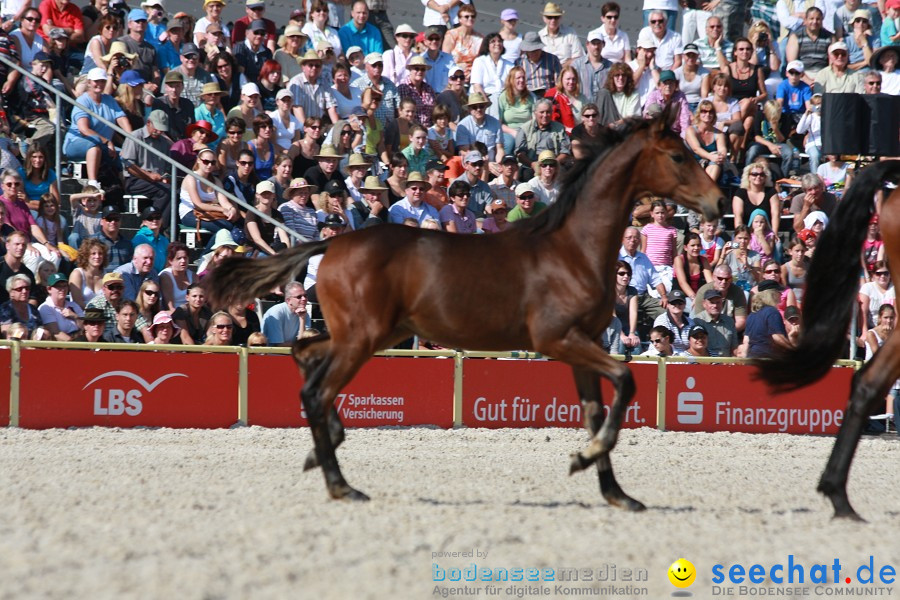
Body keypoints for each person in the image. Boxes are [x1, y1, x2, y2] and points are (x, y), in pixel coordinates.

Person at [61, 68, 131, 189]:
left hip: (104, 146)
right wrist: (107, 141)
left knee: (128, 156)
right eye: (96, 81)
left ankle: (126, 190)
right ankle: (93, 183)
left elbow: (122, 119)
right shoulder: (82, 100)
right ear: (89, 82)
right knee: (94, 146)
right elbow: (84, 129)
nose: (99, 84)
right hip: (76, 143)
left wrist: (132, 139)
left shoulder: (109, 100)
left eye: (102, 81)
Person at [180, 148, 240, 239]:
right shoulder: (191, 178)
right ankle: (208, 252)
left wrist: (231, 209)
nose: (209, 165)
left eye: (212, 162)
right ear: (198, 160)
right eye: (206, 162)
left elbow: (224, 202)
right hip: (189, 213)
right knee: (225, 228)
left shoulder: (216, 181)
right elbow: (198, 205)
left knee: (234, 226)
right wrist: (222, 209)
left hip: (209, 213)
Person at [514, 99, 571, 177]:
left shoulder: (560, 128)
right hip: (532, 165)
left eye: (548, 112)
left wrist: (553, 164)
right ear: (535, 113)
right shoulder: (524, 129)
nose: (545, 115)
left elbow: (565, 151)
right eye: (542, 112)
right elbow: (520, 154)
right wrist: (533, 164)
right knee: (525, 175)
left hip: (554, 163)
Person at [692, 263, 748, 332]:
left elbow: (741, 321)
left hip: (730, 330)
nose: (723, 282)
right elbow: (699, 320)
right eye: (720, 278)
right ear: (714, 277)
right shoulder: (703, 291)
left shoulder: (737, 292)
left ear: (731, 279)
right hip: (708, 330)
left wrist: (727, 333)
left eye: (727, 279)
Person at [785, 7, 833, 84]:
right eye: (811, 19)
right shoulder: (796, 36)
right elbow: (792, 63)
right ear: (805, 20)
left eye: (818, 19)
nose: (815, 21)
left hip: (823, 74)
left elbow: (833, 62)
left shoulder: (829, 37)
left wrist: (823, 78)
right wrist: (806, 79)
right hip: (801, 74)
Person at [738, 288, 788, 357]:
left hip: (752, 357)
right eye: (779, 293)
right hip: (768, 358)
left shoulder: (751, 315)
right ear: (772, 296)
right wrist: (793, 350)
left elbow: (746, 341)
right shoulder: (772, 312)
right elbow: (777, 337)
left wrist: (744, 361)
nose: (781, 296)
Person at [244, 181, 289, 256]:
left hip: (270, 248)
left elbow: (284, 238)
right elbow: (257, 239)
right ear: (257, 195)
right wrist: (273, 254)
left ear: (273, 195)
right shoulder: (252, 212)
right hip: (252, 250)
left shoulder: (277, 214)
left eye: (269, 193)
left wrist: (287, 254)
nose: (266, 195)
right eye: (263, 193)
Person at [641, 69, 691, 136]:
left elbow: (685, 119)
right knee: (653, 108)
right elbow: (647, 113)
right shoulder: (653, 95)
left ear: (675, 85)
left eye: (671, 83)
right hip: (657, 132)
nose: (668, 86)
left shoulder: (681, 97)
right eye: (665, 83)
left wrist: (684, 136)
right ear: (660, 85)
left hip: (675, 133)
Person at [693, 287, 738, 357]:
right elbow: (696, 348)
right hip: (707, 363)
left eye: (718, 302)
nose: (715, 306)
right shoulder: (697, 321)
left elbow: (734, 347)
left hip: (726, 363)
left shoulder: (729, 321)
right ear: (704, 304)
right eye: (711, 302)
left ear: (722, 304)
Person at [537, 1, 584, 68]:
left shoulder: (571, 33)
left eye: (556, 17)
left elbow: (578, 57)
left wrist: (561, 67)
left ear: (561, 18)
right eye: (549, 17)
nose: (553, 20)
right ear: (544, 18)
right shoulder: (539, 36)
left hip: (567, 73)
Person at [673, 232, 713, 309]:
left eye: (698, 245)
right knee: (696, 307)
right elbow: (682, 283)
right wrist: (694, 298)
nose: (696, 248)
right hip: (681, 297)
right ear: (685, 247)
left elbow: (710, 283)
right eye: (692, 245)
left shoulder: (704, 260)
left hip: (699, 297)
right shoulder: (679, 260)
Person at [261, 281, 308, 345]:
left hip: (294, 351)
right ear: (288, 300)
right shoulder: (276, 312)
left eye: (305, 295)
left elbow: (304, 342)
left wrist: (302, 319)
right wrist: (299, 344)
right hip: (273, 353)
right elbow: (278, 345)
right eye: (299, 297)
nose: (304, 299)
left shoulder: (304, 313)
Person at [516, 31, 562, 97]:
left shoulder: (553, 59)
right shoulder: (519, 62)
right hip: (528, 97)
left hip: (548, 96)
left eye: (536, 50)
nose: (534, 53)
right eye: (531, 51)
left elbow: (559, 82)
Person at [442, 3, 481, 81]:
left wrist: (473, 73)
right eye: (466, 16)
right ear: (460, 19)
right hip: (454, 76)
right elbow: (445, 58)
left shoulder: (480, 38)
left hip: (473, 76)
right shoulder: (452, 35)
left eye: (472, 16)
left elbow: (481, 61)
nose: (470, 18)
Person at [37, 273, 82, 340]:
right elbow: (55, 333)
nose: (62, 289)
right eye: (58, 286)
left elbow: (85, 327)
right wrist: (74, 345)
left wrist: (75, 316)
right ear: (49, 289)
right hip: (63, 346)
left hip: (80, 339)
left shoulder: (73, 305)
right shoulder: (45, 308)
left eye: (64, 286)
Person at [68, 238, 107, 309]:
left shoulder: (105, 275)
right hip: (81, 315)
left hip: (102, 316)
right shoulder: (77, 274)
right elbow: (77, 302)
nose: (97, 256)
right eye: (93, 253)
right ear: (86, 255)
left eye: (100, 253)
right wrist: (94, 312)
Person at [159, 242, 196, 312]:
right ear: (171, 261)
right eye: (179, 258)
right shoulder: (166, 276)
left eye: (185, 258)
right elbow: (170, 307)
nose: (183, 261)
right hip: (173, 314)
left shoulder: (194, 276)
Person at [92, 206, 132, 271]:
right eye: (109, 219)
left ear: (120, 221)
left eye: (116, 219)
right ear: (101, 221)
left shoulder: (127, 244)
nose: (113, 222)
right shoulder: (92, 241)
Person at [613, 260, 641, 352]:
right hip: (612, 327)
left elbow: (633, 312)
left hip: (628, 327)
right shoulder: (609, 291)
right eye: (621, 273)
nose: (626, 276)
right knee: (620, 344)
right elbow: (613, 316)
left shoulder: (632, 291)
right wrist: (621, 334)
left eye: (628, 274)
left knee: (636, 344)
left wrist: (632, 333)